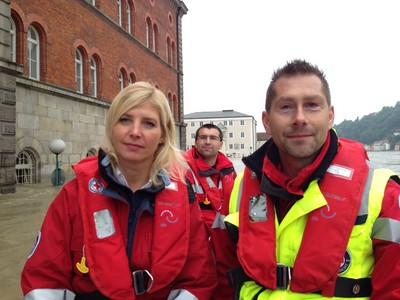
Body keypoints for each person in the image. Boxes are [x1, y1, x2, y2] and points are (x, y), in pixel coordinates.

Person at [21, 81, 217, 300]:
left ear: (163, 134)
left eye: (149, 124)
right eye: (125, 120)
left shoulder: (184, 200)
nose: (135, 132)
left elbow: (198, 280)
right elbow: (43, 278)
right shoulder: (74, 194)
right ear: (112, 127)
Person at [224, 59, 400, 299]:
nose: (299, 118)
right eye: (286, 107)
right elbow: (223, 271)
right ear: (266, 121)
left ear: (330, 116)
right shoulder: (241, 185)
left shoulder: (383, 193)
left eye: (312, 105)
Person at [183, 123, 239, 300]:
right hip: (197, 246)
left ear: (221, 144)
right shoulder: (182, 168)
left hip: (226, 245)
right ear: (196, 142)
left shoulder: (229, 170)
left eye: (213, 138)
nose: (208, 141)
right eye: (203, 137)